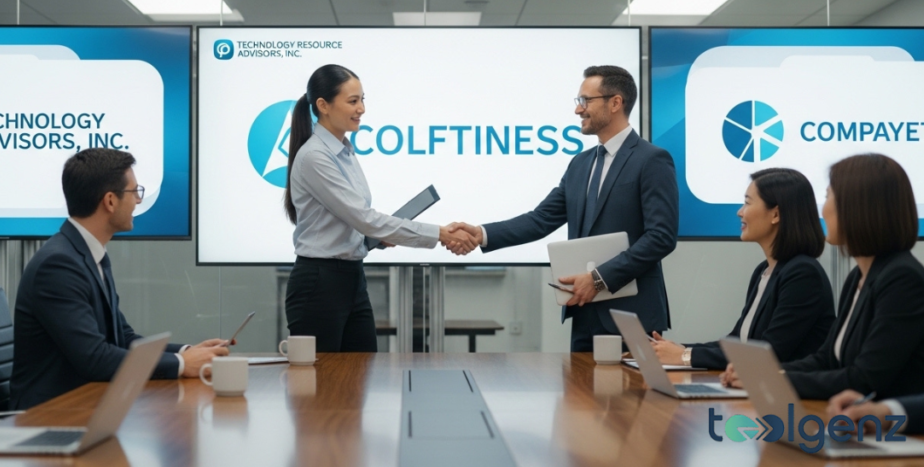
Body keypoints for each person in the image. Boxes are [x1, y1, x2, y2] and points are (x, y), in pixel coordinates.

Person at [448, 65, 678, 351]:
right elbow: (540, 220)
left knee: (631, 397)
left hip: (632, 314)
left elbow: (661, 238)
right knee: (579, 396)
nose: (578, 110)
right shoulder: (580, 164)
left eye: (585, 101)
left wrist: (598, 279)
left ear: (615, 102)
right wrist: (480, 233)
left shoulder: (652, 160)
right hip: (584, 311)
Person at [11, 148, 229, 410]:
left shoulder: (90, 254)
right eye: (134, 191)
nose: (138, 200)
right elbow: (95, 358)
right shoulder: (58, 265)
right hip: (52, 415)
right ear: (110, 201)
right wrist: (182, 366)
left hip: (90, 404)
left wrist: (186, 352)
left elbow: (122, 338)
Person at [284, 64, 476, 353]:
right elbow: (364, 218)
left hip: (351, 279)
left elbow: (353, 220)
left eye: (362, 99)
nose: (361, 108)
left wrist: (372, 239)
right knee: (320, 388)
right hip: (319, 283)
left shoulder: (344, 151)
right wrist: (440, 234)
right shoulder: (314, 156)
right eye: (352, 101)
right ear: (323, 105)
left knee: (361, 375)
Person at [722, 154, 924, 400]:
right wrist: (760, 373)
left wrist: (769, 379)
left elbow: (863, 379)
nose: (822, 209)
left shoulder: (902, 279)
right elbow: (826, 359)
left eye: (828, 197)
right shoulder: (859, 276)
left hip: (898, 431)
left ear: (857, 207)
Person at [649, 168, 834, 370]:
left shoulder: (803, 274)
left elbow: (768, 352)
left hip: (789, 398)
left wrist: (685, 356)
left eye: (747, 202)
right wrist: (679, 349)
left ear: (776, 214)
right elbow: (737, 343)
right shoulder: (764, 271)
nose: (740, 212)